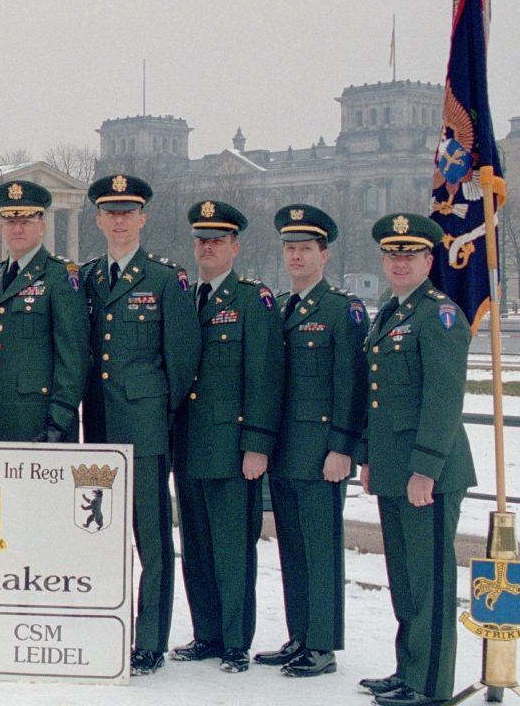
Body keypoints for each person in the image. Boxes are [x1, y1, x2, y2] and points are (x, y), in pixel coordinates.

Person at [79, 174, 199, 676]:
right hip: (100, 428)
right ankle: (104, 626)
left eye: (129, 212)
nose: (120, 220)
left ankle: (149, 639)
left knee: (151, 539)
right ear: (100, 219)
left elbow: (182, 362)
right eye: (111, 212)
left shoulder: (165, 280)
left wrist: (156, 415)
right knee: (100, 534)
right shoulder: (86, 278)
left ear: (143, 218)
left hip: (144, 429)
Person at [357, 213, 476, 706]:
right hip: (394, 468)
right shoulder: (391, 311)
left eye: (410, 255)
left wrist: (425, 468)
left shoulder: (440, 314)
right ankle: (407, 668)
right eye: (392, 254)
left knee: (429, 580)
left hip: (429, 471)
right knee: (404, 577)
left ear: (430, 260)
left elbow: (444, 398)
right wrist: (369, 458)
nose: (399, 262)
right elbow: (378, 396)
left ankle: (429, 681)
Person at [254, 204, 368, 678]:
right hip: (284, 450)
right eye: (290, 248)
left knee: (321, 548)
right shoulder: (281, 307)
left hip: (322, 452)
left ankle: (322, 644)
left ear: (324, 254)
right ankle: (299, 634)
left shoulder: (343, 310)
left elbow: (352, 383)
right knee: (292, 549)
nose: (296, 256)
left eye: (306, 248)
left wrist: (343, 447)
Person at [171, 199, 284, 674]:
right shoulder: (186, 297)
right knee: (196, 546)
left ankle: (236, 640)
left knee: (233, 548)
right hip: (190, 446)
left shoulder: (251, 301)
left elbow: (264, 375)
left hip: (233, 448)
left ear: (235, 247)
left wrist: (257, 443)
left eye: (217, 240)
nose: (207, 248)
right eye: (201, 240)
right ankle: (208, 634)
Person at [0, 179, 88, 443]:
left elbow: (72, 359)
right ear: (1, 227)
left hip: (37, 423)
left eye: (26, 221)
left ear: (41, 226)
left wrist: (59, 421)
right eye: (10, 222)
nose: (17, 228)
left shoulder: (60, 276)